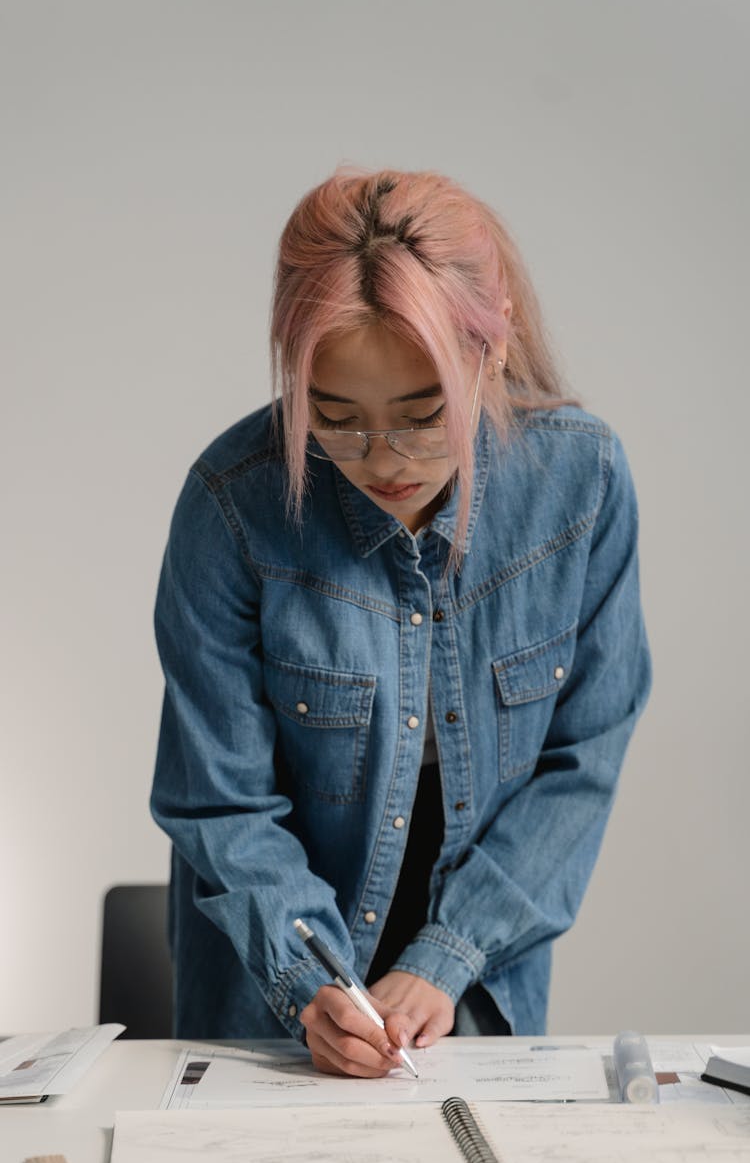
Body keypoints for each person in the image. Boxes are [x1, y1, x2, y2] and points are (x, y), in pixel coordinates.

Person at [150, 165, 652, 1077]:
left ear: (489, 349)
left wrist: (450, 954)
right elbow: (217, 797)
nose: (381, 461)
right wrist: (312, 978)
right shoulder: (233, 504)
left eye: (424, 416)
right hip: (270, 996)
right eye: (334, 418)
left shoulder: (583, 487)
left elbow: (583, 761)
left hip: (478, 985)